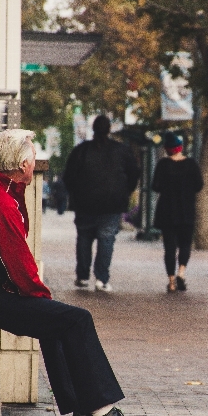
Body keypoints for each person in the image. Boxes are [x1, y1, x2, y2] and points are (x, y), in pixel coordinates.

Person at [0, 129, 153, 416]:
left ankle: (85, 412)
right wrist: (44, 300)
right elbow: (19, 263)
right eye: (32, 158)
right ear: (22, 165)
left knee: (57, 320)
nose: (35, 163)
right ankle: (101, 414)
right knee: (74, 319)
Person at [62, 115, 140, 292]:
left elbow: (69, 176)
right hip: (112, 203)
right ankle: (102, 278)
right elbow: (134, 174)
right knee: (106, 239)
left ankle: (82, 276)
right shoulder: (121, 151)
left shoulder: (81, 151)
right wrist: (124, 191)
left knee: (84, 238)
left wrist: (77, 193)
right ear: (109, 130)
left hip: (85, 203)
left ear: (93, 130)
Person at [152, 132, 203, 292]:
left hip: (167, 211)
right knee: (185, 244)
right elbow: (199, 185)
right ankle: (181, 272)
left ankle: (172, 282)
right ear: (180, 148)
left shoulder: (163, 164)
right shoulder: (192, 164)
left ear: (167, 149)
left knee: (169, 247)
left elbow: (155, 186)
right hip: (186, 210)